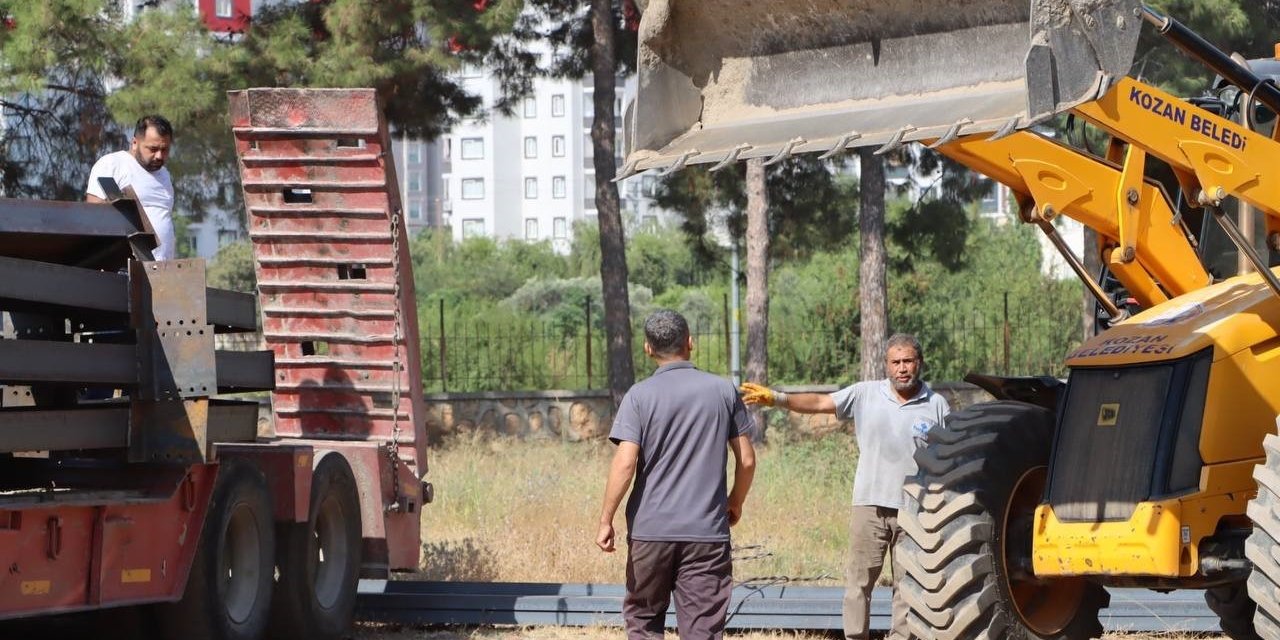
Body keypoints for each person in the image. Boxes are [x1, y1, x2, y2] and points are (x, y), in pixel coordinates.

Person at [739, 333, 949, 640]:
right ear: (886, 365)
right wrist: (778, 398)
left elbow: (948, 459)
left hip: (915, 511)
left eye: (908, 361)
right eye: (896, 362)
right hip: (870, 507)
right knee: (858, 585)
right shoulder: (865, 394)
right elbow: (822, 402)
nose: (902, 368)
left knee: (909, 587)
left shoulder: (938, 406)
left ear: (919, 363)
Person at [597, 309, 757, 640]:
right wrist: (734, 501)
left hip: (650, 531)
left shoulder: (639, 396)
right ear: (690, 343)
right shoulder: (724, 391)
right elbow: (747, 461)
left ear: (647, 348)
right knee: (702, 627)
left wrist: (606, 519)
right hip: (707, 532)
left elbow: (625, 464)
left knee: (643, 621)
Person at [86, 115, 176, 261]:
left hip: (162, 269)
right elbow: (93, 214)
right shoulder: (113, 165)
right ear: (134, 143)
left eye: (164, 150)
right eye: (153, 149)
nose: (159, 156)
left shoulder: (165, 175)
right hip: (125, 269)